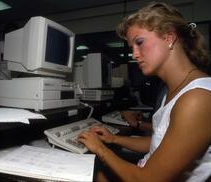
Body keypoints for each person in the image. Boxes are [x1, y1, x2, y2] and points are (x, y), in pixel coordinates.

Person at [78, 2, 211, 182]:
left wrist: (101, 150)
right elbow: (160, 144)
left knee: (91, 169)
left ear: (169, 37)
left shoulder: (197, 98)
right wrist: (114, 140)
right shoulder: (171, 89)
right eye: (132, 46)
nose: (134, 54)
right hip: (145, 168)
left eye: (139, 42)